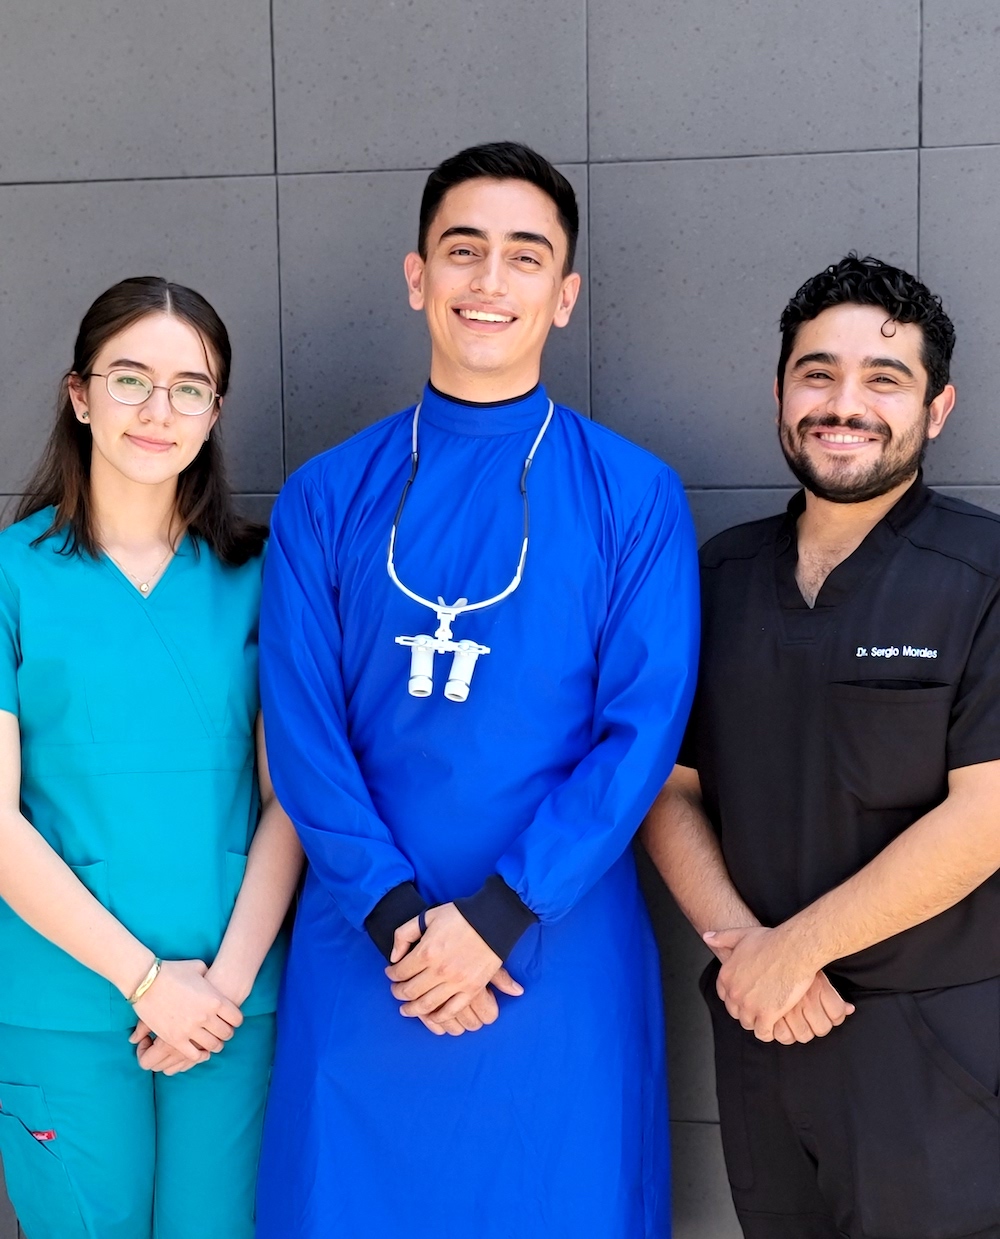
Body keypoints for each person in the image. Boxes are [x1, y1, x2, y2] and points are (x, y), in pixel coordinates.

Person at [255, 141, 699, 1238]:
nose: (489, 283)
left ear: (565, 294)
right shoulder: (323, 496)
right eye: (463, 253)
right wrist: (408, 926)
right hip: (369, 955)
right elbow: (302, 733)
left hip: (554, 947)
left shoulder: (633, 494)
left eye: (524, 257)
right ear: (417, 278)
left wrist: (495, 918)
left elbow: (639, 735)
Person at [641, 253, 1000, 1238]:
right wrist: (745, 955)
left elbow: (987, 815)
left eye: (883, 378)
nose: (844, 403)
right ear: (778, 393)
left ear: (936, 408)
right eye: (817, 373)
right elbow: (668, 789)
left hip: (930, 1053)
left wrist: (792, 953)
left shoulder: (983, 574)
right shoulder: (719, 574)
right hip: (762, 1037)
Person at [0, 276, 302, 1239]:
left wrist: (222, 989)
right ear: (79, 394)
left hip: (231, 1001)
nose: (157, 410)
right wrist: (144, 982)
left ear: (215, 413)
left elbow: (289, 802)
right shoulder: (11, 576)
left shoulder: (261, 576)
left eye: (189, 386)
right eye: (129, 379)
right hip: (63, 1000)